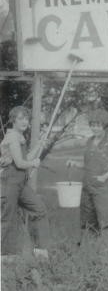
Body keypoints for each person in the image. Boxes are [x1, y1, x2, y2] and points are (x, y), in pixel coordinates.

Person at [66, 108, 108, 244]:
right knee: (87, 219)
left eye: (98, 125)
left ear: (104, 125)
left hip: (102, 188)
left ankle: (106, 250)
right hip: (87, 186)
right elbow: (88, 165)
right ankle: (90, 247)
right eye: (92, 125)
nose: (95, 128)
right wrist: (75, 163)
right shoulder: (90, 141)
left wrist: (104, 177)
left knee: (105, 218)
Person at [0, 106, 50, 260]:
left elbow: (26, 157)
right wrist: (34, 163)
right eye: (20, 118)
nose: (24, 122)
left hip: (20, 183)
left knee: (39, 208)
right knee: (7, 218)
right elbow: (21, 163)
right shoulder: (12, 137)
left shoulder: (19, 136)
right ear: (13, 120)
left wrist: (40, 144)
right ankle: (4, 255)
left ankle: (40, 250)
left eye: (26, 119)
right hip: (9, 182)